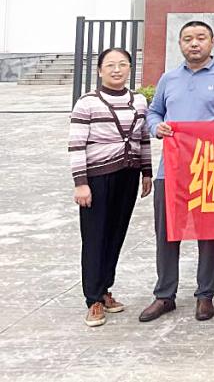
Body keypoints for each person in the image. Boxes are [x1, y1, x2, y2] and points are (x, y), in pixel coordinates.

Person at [140, 21, 214, 322]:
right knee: (167, 233)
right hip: (171, 170)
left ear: (212, 42)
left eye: (200, 38)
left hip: (209, 170)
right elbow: (153, 112)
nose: (194, 43)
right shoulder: (169, 78)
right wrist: (156, 127)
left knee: (208, 234)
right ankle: (164, 295)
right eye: (188, 39)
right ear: (180, 44)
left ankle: (205, 295)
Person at [70, 47, 153, 327]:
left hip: (127, 176)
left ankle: (105, 289)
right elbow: (76, 144)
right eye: (110, 65)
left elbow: (143, 139)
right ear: (100, 70)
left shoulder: (138, 101)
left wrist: (146, 172)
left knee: (116, 234)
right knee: (95, 237)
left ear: (130, 68)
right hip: (97, 178)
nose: (117, 70)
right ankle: (92, 299)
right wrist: (81, 183)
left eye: (122, 64)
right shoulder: (87, 102)